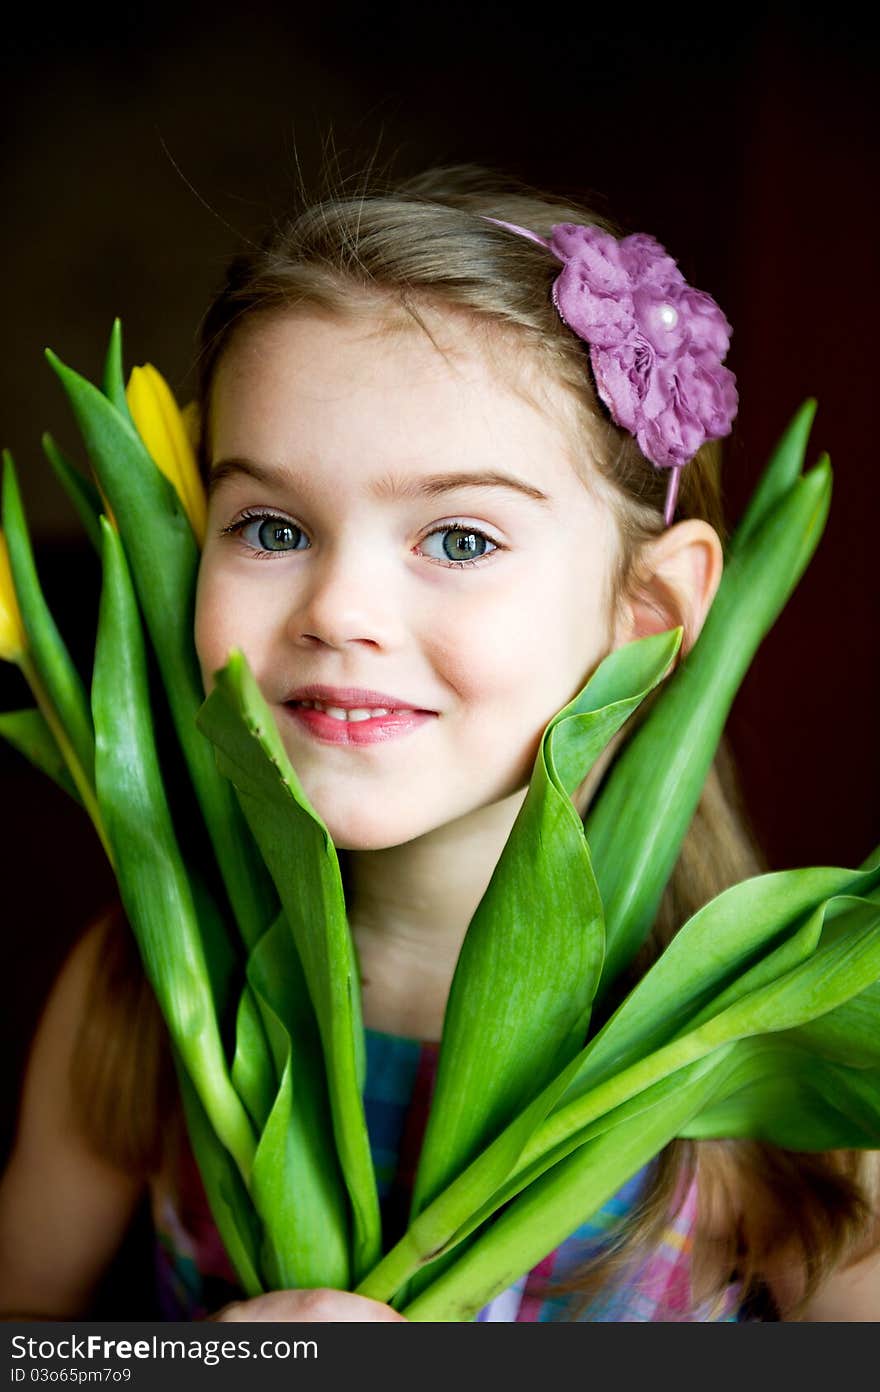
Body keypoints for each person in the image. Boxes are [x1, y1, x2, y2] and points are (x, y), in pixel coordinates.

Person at [1, 165, 878, 1323]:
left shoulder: (775, 1040)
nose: (338, 609)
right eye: (271, 526)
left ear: (651, 611)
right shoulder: (134, 1001)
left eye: (458, 538)